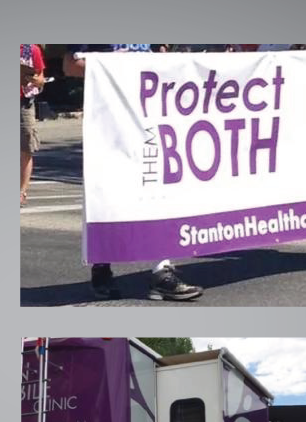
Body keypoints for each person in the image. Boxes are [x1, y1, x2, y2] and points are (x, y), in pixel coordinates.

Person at [63, 44, 203, 301]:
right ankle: (101, 267)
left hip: (150, 114)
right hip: (110, 121)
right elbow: (70, 65)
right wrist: (119, 67)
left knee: (158, 190)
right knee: (108, 193)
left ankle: (162, 272)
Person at [21, 44, 45, 207]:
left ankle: (21, 192)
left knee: (26, 145)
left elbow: (41, 80)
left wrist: (32, 79)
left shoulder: (31, 49)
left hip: (24, 102)